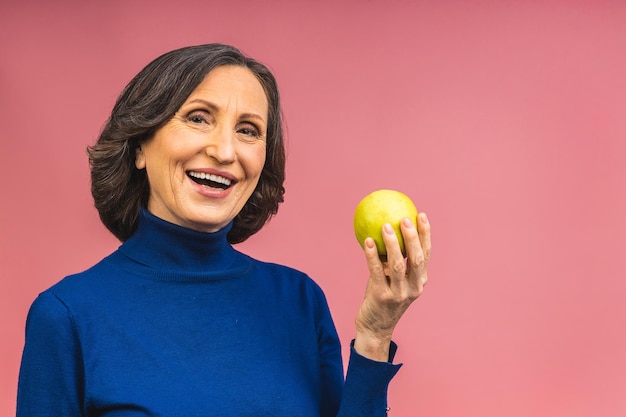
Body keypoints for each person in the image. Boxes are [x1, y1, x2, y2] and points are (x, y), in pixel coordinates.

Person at [16, 43, 431, 416]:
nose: (225, 151)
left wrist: (375, 334)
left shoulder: (299, 301)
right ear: (140, 145)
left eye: (248, 130)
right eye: (199, 118)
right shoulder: (66, 316)